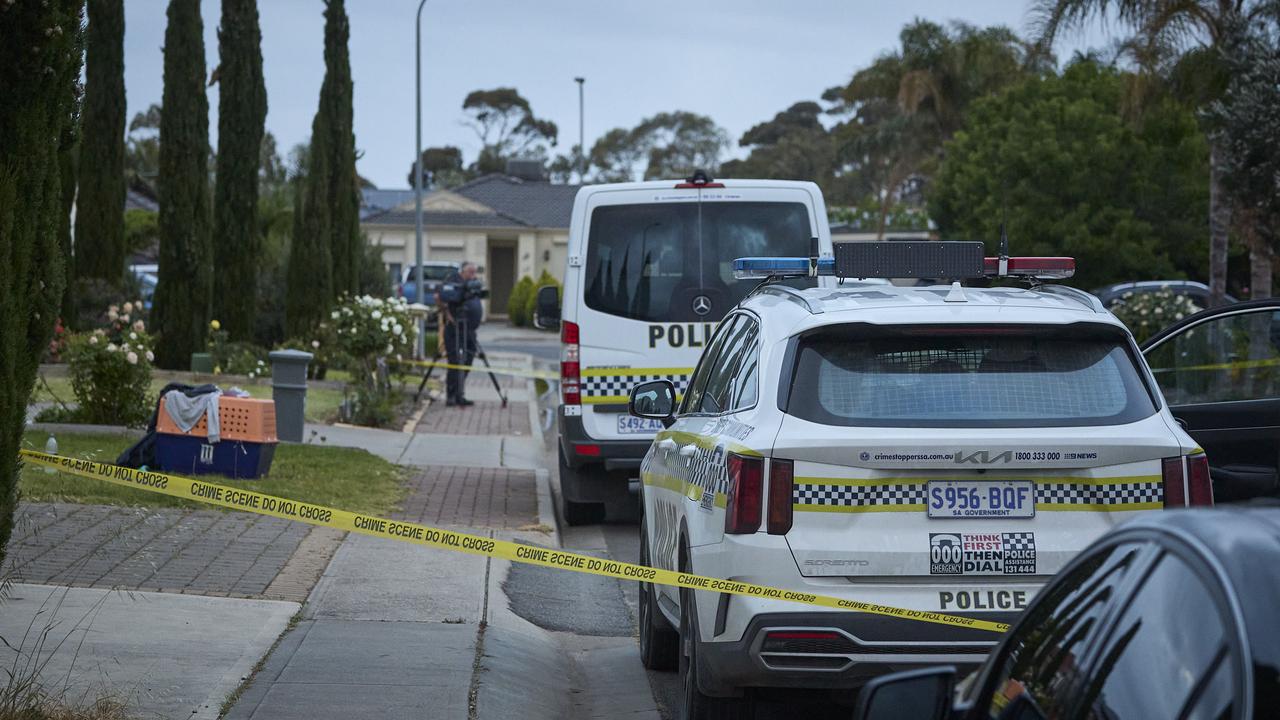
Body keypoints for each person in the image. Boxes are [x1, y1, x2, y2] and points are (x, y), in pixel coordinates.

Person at [436, 261, 482, 407]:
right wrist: (447, 313)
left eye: (475, 272)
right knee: (454, 361)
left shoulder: (473, 283)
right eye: (470, 272)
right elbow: (438, 296)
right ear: (463, 271)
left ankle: (459, 393)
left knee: (469, 357)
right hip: (454, 328)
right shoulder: (453, 280)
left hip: (469, 329)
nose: (473, 275)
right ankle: (451, 395)